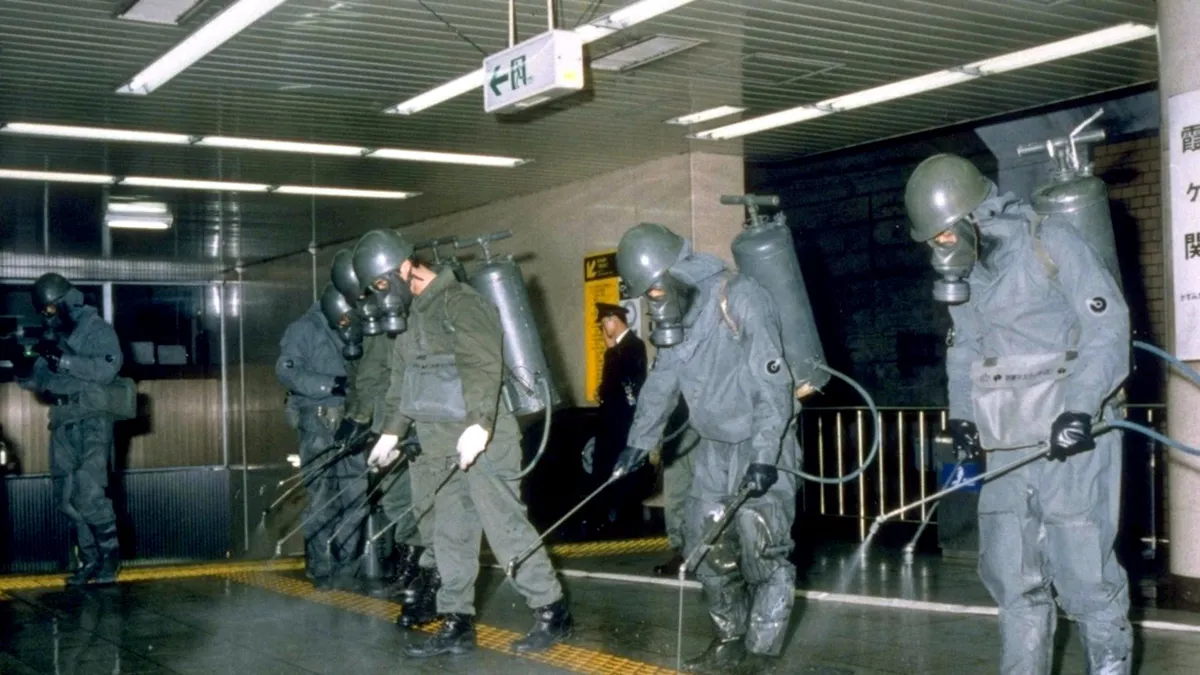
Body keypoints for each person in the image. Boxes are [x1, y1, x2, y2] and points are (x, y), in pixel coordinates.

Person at [905, 153, 1132, 675]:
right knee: (1013, 579)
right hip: (1006, 441)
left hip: (1072, 440)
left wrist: (1080, 408)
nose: (940, 248)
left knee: (1085, 576)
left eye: (944, 235)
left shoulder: (1049, 241)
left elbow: (1108, 327)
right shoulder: (967, 271)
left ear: (972, 218)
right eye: (932, 240)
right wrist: (963, 417)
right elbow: (963, 350)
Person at [355, 230, 572, 657]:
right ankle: (457, 620)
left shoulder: (463, 303)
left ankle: (552, 610)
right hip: (438, 444)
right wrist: (392, 431)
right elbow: (402, 383)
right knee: (449, 535)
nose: (383, 295)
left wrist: (479, 425)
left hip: (483, 440)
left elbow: (482, 366)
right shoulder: (411, 318)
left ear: (404, 267)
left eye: (382, 284)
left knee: (505, 528)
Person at [610, 223, 798, 674]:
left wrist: (764, 457)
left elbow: (775, 386)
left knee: (763, 547)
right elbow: (662, 383)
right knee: (706, 545)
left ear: (676, 272)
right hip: (714, 449)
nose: (653, 303)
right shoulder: (677, 317)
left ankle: (759, 656)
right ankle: (730, 640)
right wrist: (638, 442)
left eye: (654, 291)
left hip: (763, 442)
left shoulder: (741, 297)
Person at [330, 250, 435, 621]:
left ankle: (422, 576)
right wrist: (359, 419)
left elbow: (389, 375)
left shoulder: (400, 316)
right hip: (386, 425)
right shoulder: (373, 319)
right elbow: (364, 377)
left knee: (420, 502)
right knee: (395, 500)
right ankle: (411, 567)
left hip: (406, 424)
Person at [17, 274, 123, 587]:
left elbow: (107, 368)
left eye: (50, 308)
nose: (46, 315)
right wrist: (26, 366)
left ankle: (109, 558)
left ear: (64, 302)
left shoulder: (97, 330)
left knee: (89, 494)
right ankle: (89, 560)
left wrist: (63, 361)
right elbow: (39, 381)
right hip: (63, 420)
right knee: (66, 499)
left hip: (92, 421)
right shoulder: (54, 334)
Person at [276, 292, 366, 591]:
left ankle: (347, 571)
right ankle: (322, 568)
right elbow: (287, 371)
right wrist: (332, 383)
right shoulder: (303, 329)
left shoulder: (356, 322)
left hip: (353, 417)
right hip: (318, 420)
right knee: (323, 497)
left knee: (355, 496)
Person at [588, 302, 647, 536]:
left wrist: (611, 350)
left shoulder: (632, 346)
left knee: (617, 471)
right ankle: (604, 518)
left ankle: (618, 521)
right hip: (611, 421)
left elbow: (630, 383)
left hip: (621, 422)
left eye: (605, 323)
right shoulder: (617, 348)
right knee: (604, 468)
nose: (603, 328)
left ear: (615, 320)